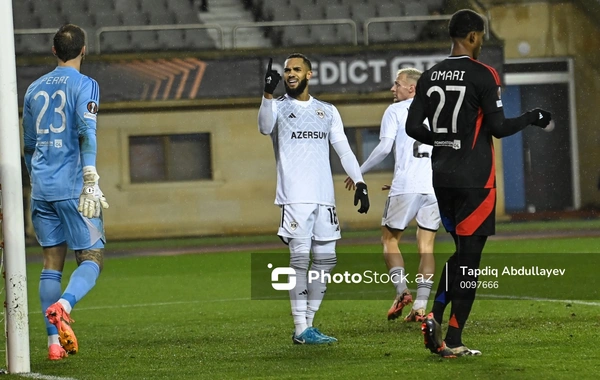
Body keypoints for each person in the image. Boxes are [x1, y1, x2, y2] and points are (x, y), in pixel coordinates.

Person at [406, 9, 552, 358]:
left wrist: (441, 140)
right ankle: (452, 338)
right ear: (472, 36)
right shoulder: (484, 74)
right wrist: (533, 117)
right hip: (475, 180)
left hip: (442, 178)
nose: (482, 42)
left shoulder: (430, 75)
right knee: (470, 262)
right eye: (481, 36)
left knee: (461, 254)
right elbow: (499, 128)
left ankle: (435, 318)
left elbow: (413, 127)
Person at [258, 53, 370, 345]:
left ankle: (308, 324)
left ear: (309, 74)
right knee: (299, 260)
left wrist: (359, 181)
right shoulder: (278, 107)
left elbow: (343, 150)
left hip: (324, 198)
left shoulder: (327, 111)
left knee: (325, 261)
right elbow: (264, 127)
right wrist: (267, 95)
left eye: (296, 69)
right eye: (286, 70)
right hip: (296, 198)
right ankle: (299, 328)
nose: (290, 73)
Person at [22, 24, 109, 361]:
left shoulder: (33, 89)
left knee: (50, 263)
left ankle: (53, 346)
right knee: (91, 258)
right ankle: (64, 304)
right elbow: (87, 132)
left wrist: (37, 178)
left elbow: (29, 144)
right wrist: (90, 177)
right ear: (84, 50)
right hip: (73, 188)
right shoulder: (86, 84)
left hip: (41, 188)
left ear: (54, 51)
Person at [345, 68, 439, 323]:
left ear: (411, 88)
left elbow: (385, 147)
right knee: (427, 248)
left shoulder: (396, 111)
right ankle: (420, 307)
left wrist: (358, 172)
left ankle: (401, 292)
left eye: (397, 84)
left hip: (407, 186)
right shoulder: (437, 111)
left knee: (389, 240)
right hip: (434, 188)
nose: (392, 89)